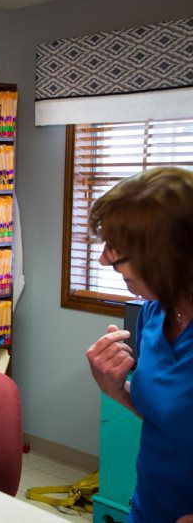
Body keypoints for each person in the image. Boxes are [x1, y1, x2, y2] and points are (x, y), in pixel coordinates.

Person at [85, 167, 193, 523]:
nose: (103, 259)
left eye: (116, 249)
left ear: (166, 253)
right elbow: (168, 417)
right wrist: (115, 389)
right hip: (149, 505)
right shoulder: (154, 312)